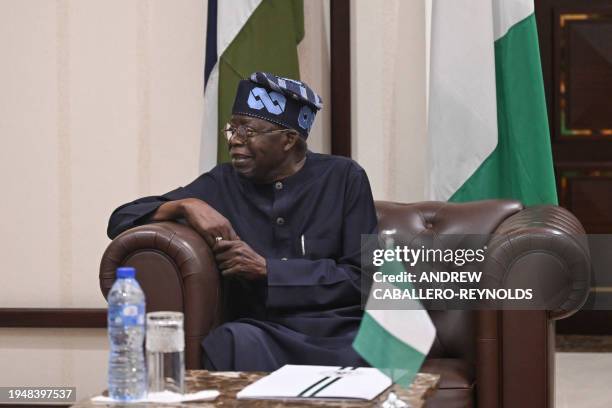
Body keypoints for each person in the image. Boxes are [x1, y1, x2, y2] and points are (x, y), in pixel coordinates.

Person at [107, 72, 377, 371]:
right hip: (263, 330)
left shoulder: (344, 178)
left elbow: (363, 278)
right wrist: (186, 204)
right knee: (229, 342)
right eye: (232, 129)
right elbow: (121, 219)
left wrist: (268, 270)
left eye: (247, 131)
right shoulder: (223, 182)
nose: (234, 141)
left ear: (288, 139)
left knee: (370, 351)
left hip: (336, 330)